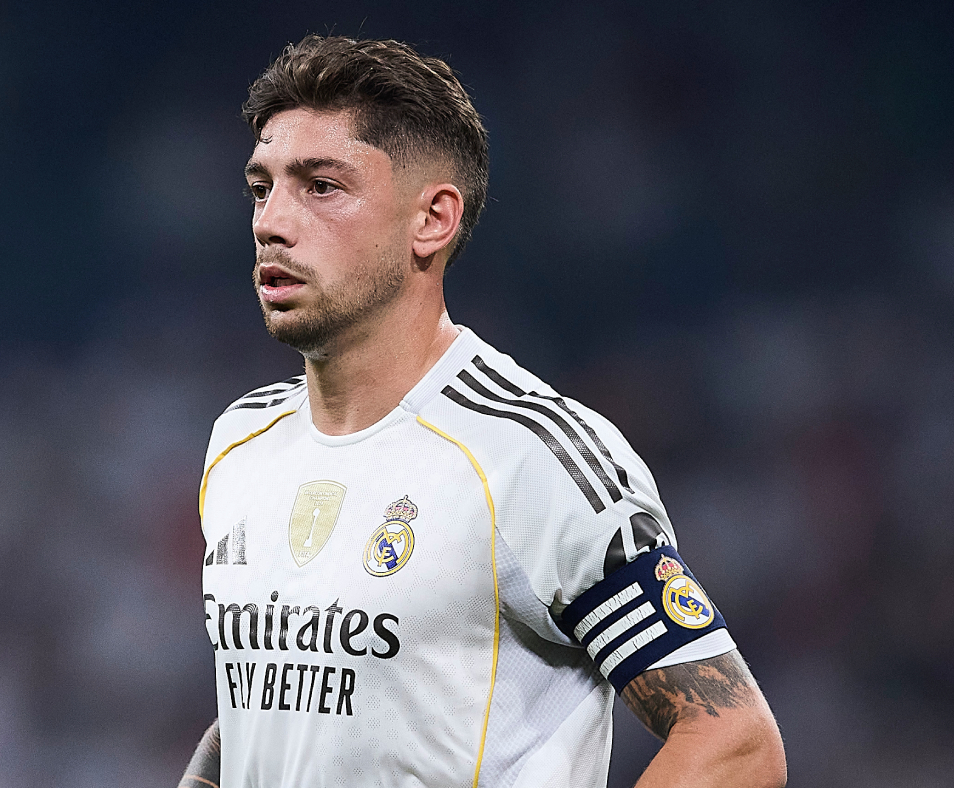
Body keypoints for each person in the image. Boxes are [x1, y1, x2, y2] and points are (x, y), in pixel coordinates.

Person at [182, 35, 786, 788]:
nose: (271, 221)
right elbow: (266, 707)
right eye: (260, 188)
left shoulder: (529, 456)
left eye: (322, 187)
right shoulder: (240, 442)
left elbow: (734, 741)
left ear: (432, 219)